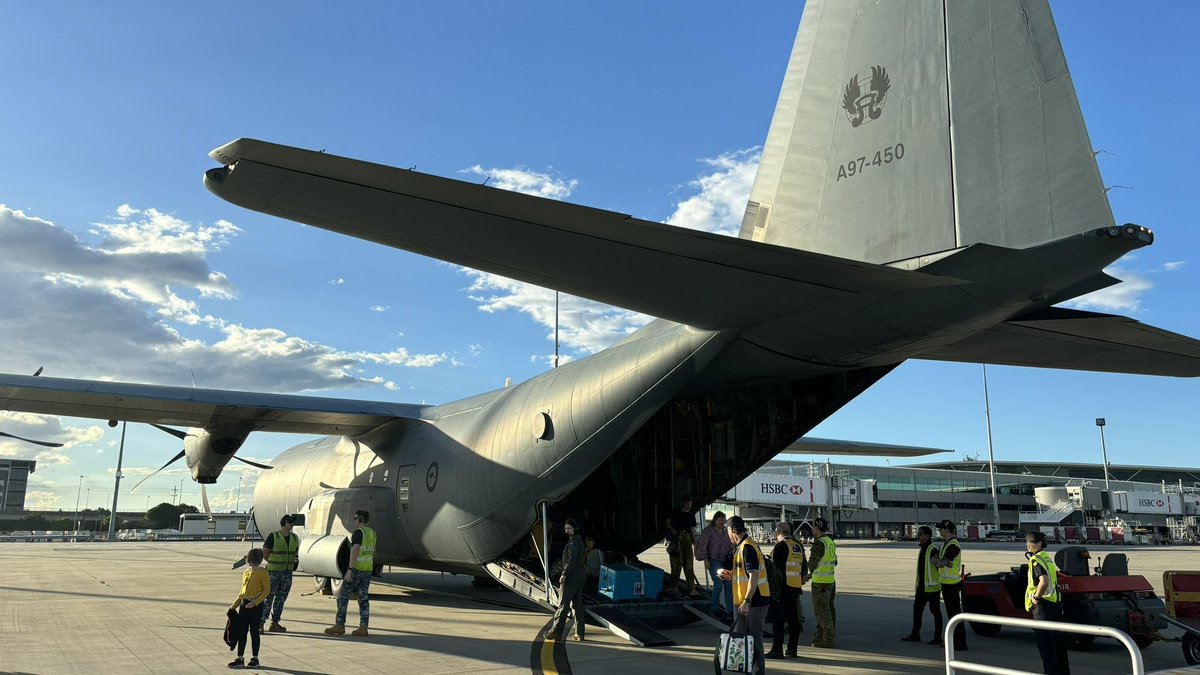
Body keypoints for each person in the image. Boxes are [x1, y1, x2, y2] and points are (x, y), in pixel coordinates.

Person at [718, 516, 771, 675]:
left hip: (754, 601)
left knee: (754, 641)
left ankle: (757, 672)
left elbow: (754, 576)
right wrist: (731, 576)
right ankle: (747, 670)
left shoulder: (748, 547)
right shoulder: (741, 547)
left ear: (732, 530)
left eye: (727, 531)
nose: (727, 535)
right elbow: (745, 575)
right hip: (742, 600)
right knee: (742, 640)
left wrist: (747, 600)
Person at [325, 510, 375, 637]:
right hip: (367, 570)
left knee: (342, 597)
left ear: (360, 519)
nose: (355, 521)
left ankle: (340, 625)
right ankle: (363, 627)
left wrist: (350, 569)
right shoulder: (372, 533)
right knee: (363, 599)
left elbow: (355, 550)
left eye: (355, 518)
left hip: (356, 570)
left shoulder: (359, 533)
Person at [1026, 532, 1070, 674]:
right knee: (1058, 644)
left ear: (1039, 544)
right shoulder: (1047, 558)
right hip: (1055, 603)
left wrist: (1036, 598)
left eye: (1031, 542)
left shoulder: (1035, 560)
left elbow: (1043, 581)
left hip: (1043, 606)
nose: (1028, 545)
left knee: (1046, 646)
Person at [766, 522, 807, 658]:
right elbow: (802, 566)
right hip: (795, 587)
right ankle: (792, 649)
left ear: (778, 533)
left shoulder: (780, 546)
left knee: (778, 620)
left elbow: (776, 571)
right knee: (793, 619)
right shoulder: (797, 546)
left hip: (782, 588)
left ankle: (777, 649)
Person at [545, 518, 587, 641]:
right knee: (577, 605)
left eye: (569, 528)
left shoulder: (574, 542)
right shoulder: (579, 540)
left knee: (562, 605)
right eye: (565, 528)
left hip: (572, 576)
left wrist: (564, 573)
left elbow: (571, 560)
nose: (567, 531)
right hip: (580, 575)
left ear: (575, 529)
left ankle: (555, 632)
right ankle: (579, 633)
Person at [900, 525, 943, 644]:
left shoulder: (932, 549)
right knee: (917, 610)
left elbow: (938, 564)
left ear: (927, 535)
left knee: (935, 612)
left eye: (920, 534)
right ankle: (915, 634)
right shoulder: (923, 548)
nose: (918, 536)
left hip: (932, 588)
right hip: (922, 587)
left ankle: (938, 637)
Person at [228, 547, 269, 669]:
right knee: (242, 632)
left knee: (254, 632)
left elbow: (266, 590)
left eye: (253, 561)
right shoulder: (246, 572)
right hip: (244, 604)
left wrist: (255, 602)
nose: (251, 563)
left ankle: (255, 658)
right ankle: (240, 658)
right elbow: (242, 592)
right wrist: (233, 606)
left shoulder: (263, 572)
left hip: (255, 605)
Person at [260, 514, 298, 633]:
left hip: (287, 573)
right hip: (274, 573)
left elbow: (295, 553)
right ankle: (260, 623)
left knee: (281, 599)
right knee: (268, 598)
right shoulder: (274, 536)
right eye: (289, 522)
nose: (292, 524)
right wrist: (272, 562)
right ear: (284, 523)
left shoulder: (295, 537)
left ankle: (275, 623)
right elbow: (265, 552)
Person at [933, 519, 966, 650]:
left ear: (947, 530)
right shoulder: (945, 544)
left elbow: (940, 562)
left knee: (955, 614)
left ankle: (960, 642)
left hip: (952, 584)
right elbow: (937, 560)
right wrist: (940, 561)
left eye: (941, 529)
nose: (939, 530)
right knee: (951, 614)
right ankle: (956, 641)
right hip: (946, 583)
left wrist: (939, 561)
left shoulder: (953, 545)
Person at [694, 510, 733, 619]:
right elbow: (703, 546)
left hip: (725, 561)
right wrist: (705, 560)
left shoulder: (725, 532)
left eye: (724, 520)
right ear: (715, 520)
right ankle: (714, 608)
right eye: (720, 520)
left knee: (728, 585)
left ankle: (730, 610)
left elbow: (730, 545)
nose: (723, 522)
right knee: (718, 584)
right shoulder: (708, 531)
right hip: (714, 560)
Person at [806, 517, 837, 648]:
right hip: (830, 582)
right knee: (828, 610)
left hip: (820, 584)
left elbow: (812, 563)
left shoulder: (819, 544)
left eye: (813, 527)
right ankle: (821, 634)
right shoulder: (830, 542)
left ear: (817, 528)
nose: (812, 529)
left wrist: (807, 574)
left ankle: (827, 638)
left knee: (822, 612)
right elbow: (835, 561)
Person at [664, 496, 700, 595]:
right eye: (687, 504)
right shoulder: (675, 512)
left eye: (690, 504)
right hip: (677, 539)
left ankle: (692, 589)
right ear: (683, 503)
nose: (689, 506)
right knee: (676, 564)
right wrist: (672, 530)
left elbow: (692, 528)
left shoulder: (691, 513)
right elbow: (667, 523)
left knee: (689, 565)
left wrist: (694, 541)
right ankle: (674, 587)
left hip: (687, 538)